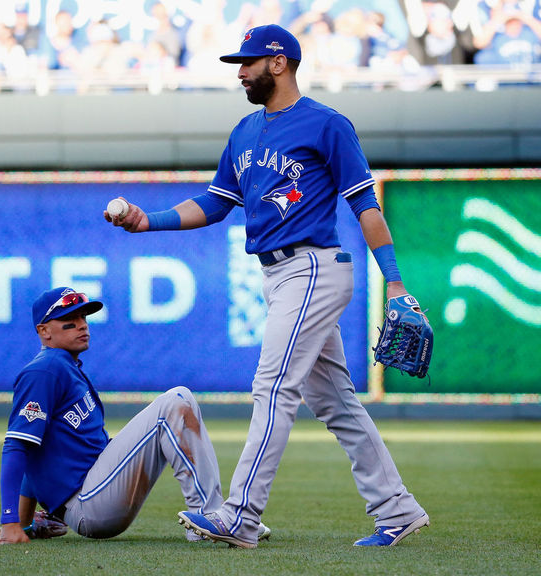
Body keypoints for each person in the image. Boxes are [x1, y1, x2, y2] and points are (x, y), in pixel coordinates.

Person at [105, 24, 429, 549]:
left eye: (249, 62)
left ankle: (241, 516)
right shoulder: (245, 131)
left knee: (273, 387)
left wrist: (394, 282)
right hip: (278, 276)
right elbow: (214, 204)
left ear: (278, 63)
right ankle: (397, 509)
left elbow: (365, 206)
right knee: (337, 403)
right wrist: (150, 221)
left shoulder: (327, 125)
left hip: (314, 268)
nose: (240, 71)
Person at [0, 287, 270, 544]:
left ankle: (219, 514)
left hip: (94, 492)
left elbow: (37, 450)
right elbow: (19, 444)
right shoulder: (44, 370)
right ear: (44, 331)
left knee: (175, 404)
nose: (81, 324)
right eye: (69, 319)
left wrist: (26, 523)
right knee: (177, 401)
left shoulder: (65, 366)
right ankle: (212, 516)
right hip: (88, 503)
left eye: (83, 316)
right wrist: (10, 522)